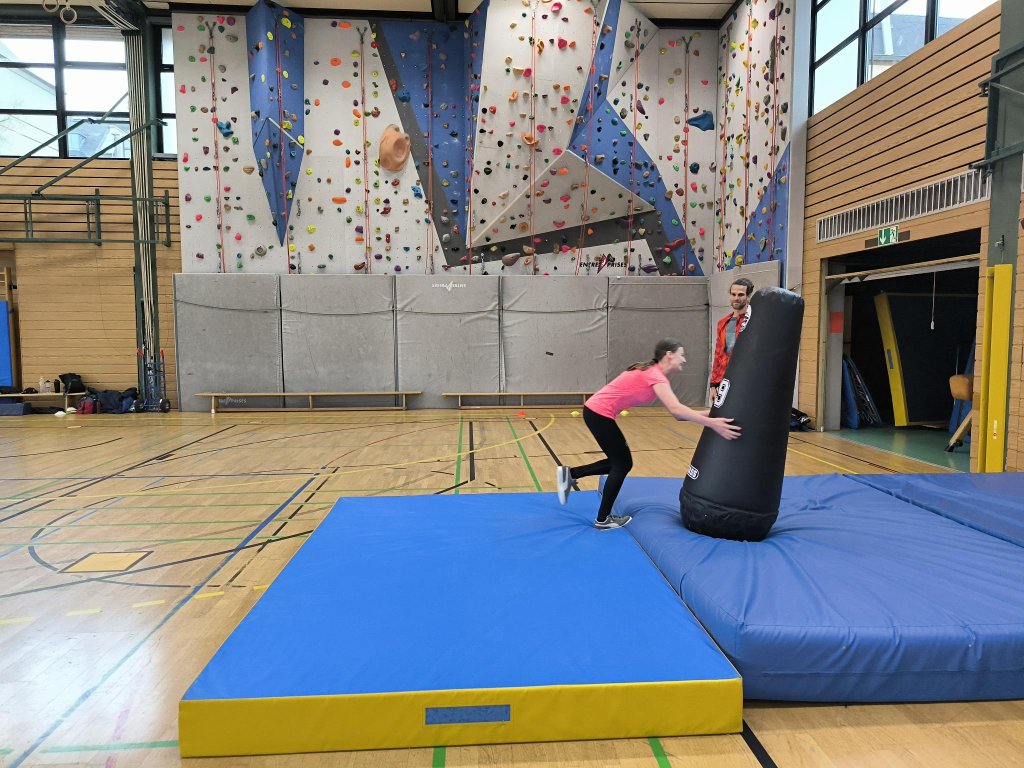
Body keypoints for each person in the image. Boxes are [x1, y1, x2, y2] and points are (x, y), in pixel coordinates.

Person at [555, 339, 741, 529]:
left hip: (596, 412)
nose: (684, 359)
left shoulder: (653, 373)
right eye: (682, 354)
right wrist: (713, 424)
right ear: (669, 355)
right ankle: (602, 519)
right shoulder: (655, 376)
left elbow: (680, 414)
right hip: (599, 414)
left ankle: (572, 474)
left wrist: (713, 415)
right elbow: (677, 411)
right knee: (622, 464)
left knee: (621, 462)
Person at [710, 278, 754, 404]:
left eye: (740, 295)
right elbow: (718, 355)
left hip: (746, 382)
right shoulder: (723, 323)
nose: (736, 298)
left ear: (748, 296)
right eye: (733, 294)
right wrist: (713, 384)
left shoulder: (754, 321)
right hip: (725, 382)